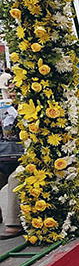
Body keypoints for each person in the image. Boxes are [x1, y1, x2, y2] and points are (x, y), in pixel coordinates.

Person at [0, 88, 23, 239]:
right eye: (10, 92)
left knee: (15, 179)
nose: (12, 95)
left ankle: (14, 223)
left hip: (26, 159)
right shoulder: (4, 111)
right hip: (4, 157)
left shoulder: (32, 111)